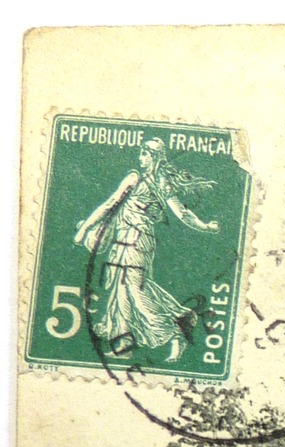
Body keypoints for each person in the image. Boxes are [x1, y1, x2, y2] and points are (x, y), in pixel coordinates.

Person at [73, 138, 220, 362]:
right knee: (120, 291)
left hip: (137, 243)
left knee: (135, 291)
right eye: (141, 153)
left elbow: (182, 214)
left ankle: (175, 330)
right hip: (121, 241)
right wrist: (85, 229)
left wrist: (205, 227)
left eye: (144, 154)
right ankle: (124, 344)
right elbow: (110, 204)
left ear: (155, 157)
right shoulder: (137, 178)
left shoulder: (159, 183)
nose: (140, 158)